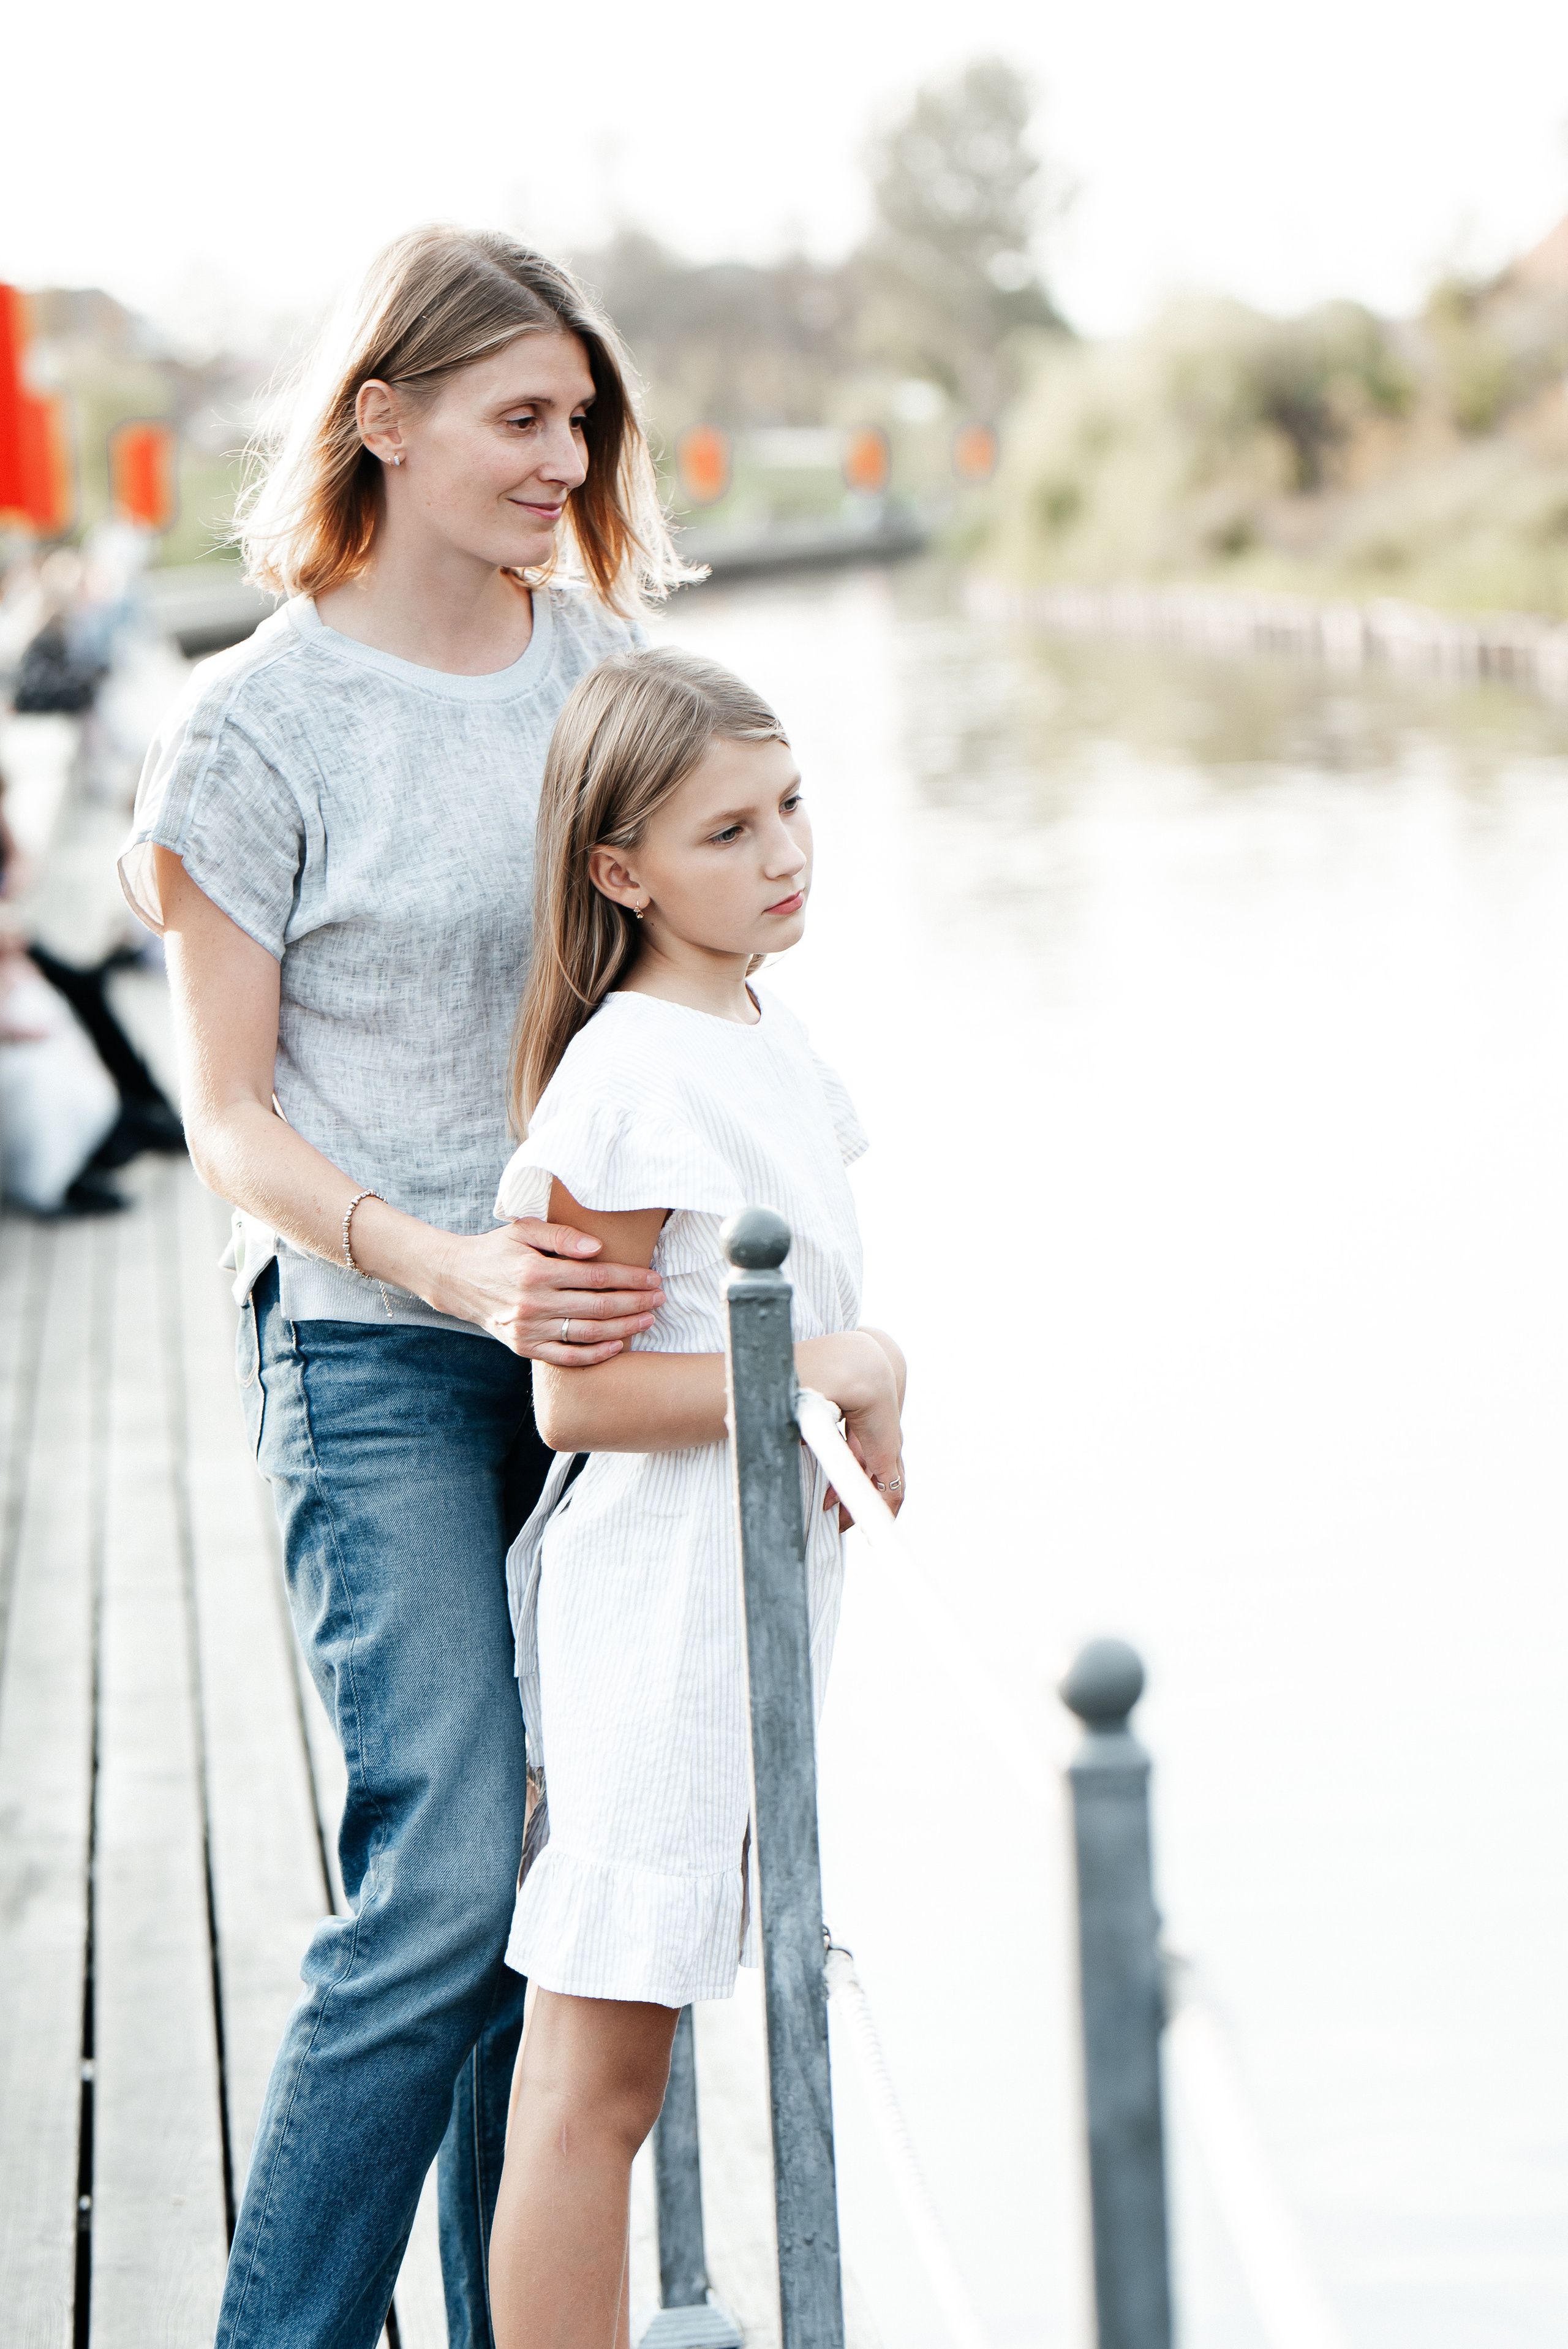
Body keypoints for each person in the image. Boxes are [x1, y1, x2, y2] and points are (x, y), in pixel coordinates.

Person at [116, 227, 692, 2349]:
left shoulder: (598, 681)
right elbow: (233, 1123)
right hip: (372, 1357)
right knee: (441, 1889)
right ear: (386, 418)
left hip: (597, 1368)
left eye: (581, 421)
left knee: (548, 1920)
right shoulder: (251, 724)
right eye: (523, 416)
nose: (566, 458)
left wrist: (778, 1356)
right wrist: (442, 1256)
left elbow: (695, 1003)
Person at [481, 646, 907, 2349]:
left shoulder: (758, 1032)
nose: (784, 852)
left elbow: (814, 1325)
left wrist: (872, 1364)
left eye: (790, 804)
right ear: (621, 868)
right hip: (655, 1614)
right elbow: (575, 1392)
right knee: (601, 2072)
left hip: (741, 1607)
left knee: (629, 2059)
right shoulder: (629, 1070)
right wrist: (843, 1366)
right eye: (728, 830)